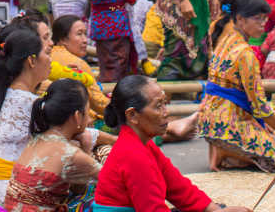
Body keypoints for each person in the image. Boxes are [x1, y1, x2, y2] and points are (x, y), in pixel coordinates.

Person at [94, 75, 247, 212]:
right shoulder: (133, 155)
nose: (166, 112)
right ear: (132, 115)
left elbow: (177, 186)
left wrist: (214, 210)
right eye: (158, 106)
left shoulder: (143, 144)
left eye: (164, 104)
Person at [0, 29, 86, 203]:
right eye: (47, 53)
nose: (51, 59)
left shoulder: (4, 95)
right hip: (8, 191)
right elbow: (76, 130)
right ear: (31, 61)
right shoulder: (28, 103)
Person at [198, 0, 275, 171]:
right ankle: (229, 153)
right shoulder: (245, 54)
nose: (263, 24)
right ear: (241, 20)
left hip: (208, 120)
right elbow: (260, 106)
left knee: (270, 142)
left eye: (264, 19)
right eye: (257, 19)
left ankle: (229, 154)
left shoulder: (225, 39)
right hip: (227, 124)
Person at [4, 79, 98, 212]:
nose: (89, 119)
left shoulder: (36, 140)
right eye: (87, 112)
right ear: (77, 116)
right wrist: (87, 147)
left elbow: (77, 188)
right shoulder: (70, 153)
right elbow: (112, 180)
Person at [49, 16, 109, 118]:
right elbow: (100, 104)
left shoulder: (47, 56)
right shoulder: (77, 63)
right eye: (79, 34)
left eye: (85, 34)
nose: (85, 40)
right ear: (63, 39)